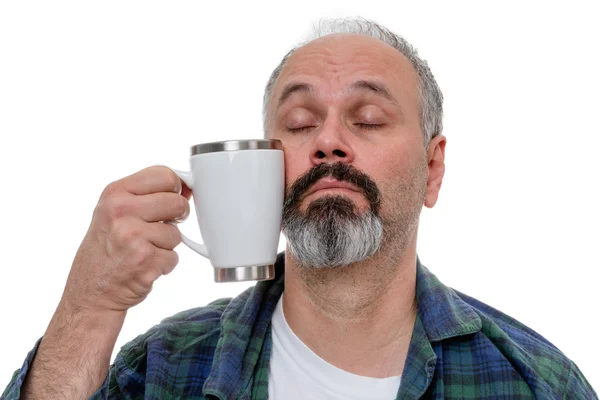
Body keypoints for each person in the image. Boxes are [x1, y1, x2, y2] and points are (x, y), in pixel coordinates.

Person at [2, 17, 597, 400]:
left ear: (432, 169)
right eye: (300, 122)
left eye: (367, 120)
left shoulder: (539, 386)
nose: (327, 141)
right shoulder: (159, 371)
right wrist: (91, 305)